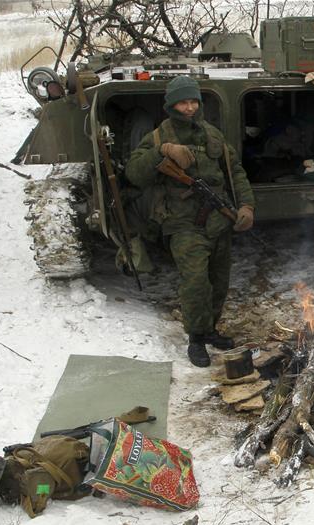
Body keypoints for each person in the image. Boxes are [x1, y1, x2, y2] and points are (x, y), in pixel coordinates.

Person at [126, 76, 255, 367]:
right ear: (172, 104)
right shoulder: (158, 137)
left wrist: (246, 206)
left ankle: (210, 330)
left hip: (218, 221)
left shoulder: (212, 135)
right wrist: (162, 152)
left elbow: (235, 171)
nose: (189, 107)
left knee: (218, 281)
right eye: (183, 102)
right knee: (196, 282)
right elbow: (134, 173)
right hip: (182, 223)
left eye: (194, 101)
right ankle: (196, 339)